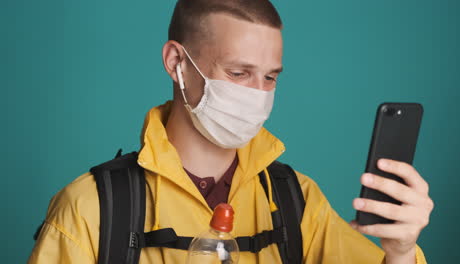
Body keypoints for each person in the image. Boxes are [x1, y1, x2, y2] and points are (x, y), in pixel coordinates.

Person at [28, 0, 434, 263]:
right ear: (177, 62)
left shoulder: (298, 201)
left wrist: (399, 252)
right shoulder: (90, 209)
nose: (257, 95)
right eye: (238, 73)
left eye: (270, 77)